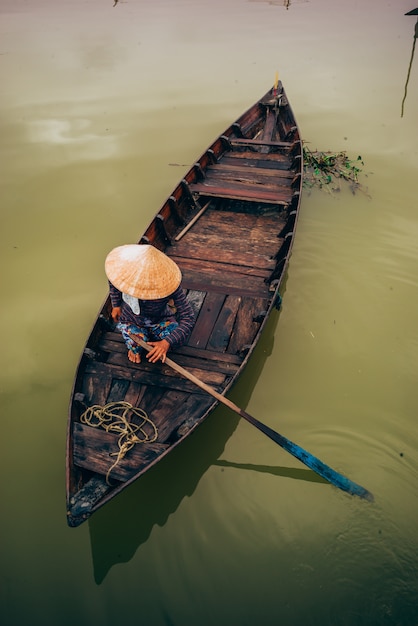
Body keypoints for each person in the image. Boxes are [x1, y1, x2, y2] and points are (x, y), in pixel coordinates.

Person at [105, 244, 195, 364]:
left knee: (177, 338)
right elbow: (113, 281)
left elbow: (188, 318)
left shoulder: (169, 285)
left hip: (159, 319)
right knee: (135, 345)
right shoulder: (124, 274)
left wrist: (166, 343)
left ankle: (157, 341)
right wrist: (116, 305)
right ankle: (139, 343)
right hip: (131, 320)